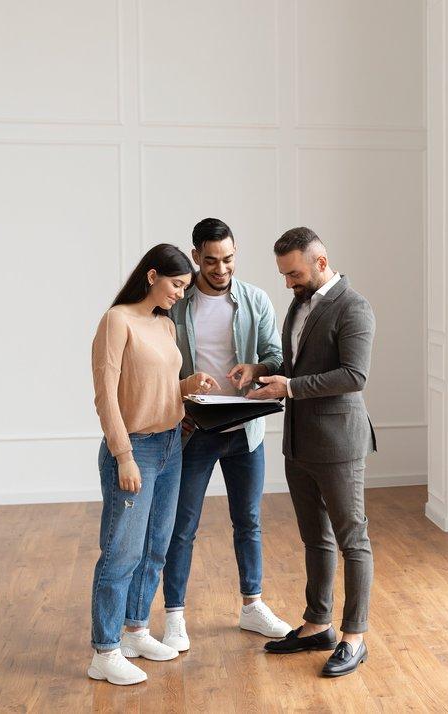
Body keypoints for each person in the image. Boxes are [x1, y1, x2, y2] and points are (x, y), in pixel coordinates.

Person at [160, 218, 292, 653]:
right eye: (212, 260)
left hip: (245, 430)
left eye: (229, 259)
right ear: (195, 256)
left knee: (249, 522)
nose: (221, 269)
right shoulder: (175, 304)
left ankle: (252, 605)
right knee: (182, 526)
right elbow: (157, 366)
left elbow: (275, 355)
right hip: (194, 430)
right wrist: (176, 401)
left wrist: (255, 369)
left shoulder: (255, 300)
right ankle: (175, 616)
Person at [88, 244, 218, 685]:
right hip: (136, 448)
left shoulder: (164, 325)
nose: (181, 294)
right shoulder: (117, 321)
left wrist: (187, 385)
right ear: (151, 276)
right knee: (121, 551)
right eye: (177, 284)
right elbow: (107, 395)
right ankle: (104, 651)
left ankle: (135, 630)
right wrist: (123, 455)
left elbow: (158, 386)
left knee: (156, 546)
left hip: (171, 445)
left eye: (185, 287)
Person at [250, 227, 377, 678]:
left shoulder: (354, 307)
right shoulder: (300, 303)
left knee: (352, 540)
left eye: (295, 273)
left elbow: (353, 376)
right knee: (314, 538)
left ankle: (354, 636)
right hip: (299, 442)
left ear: (321, 262)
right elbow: (299, 362)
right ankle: (318, 624)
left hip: (340, 445)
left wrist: (292, 387)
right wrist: (264, 370)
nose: (288, 283)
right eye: (284, 275)